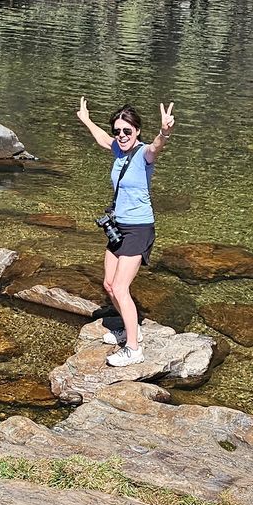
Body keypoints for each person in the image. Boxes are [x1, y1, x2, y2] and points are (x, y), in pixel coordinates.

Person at [75, 98, 176, 367]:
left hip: (139, 229)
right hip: (118, 227)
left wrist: (164, 132)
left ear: (137, 131)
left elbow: (157, 146)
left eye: (127, 131)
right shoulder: (118, 150)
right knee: (109, 285)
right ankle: (132, 329)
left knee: (121, 287)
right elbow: (101, 139)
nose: (121, 136)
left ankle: (133, 350)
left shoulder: (144, 154)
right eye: (118, 131)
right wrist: (85, 119)